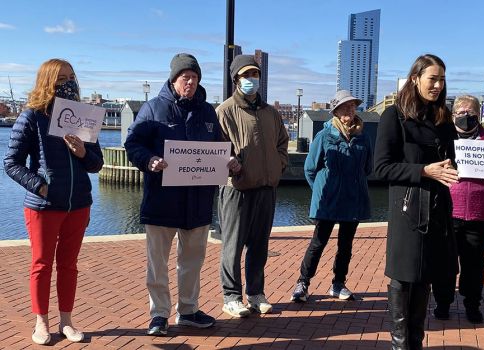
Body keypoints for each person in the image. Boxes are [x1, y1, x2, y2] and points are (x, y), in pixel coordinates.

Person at [125, 53, 236, 335]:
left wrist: (231, 160)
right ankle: (159, 314)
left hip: (197, 203)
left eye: (195, 77)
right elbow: (133, 143)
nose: (190, 82)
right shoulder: (152, 109)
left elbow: (220, 147)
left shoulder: (208, 111)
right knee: (158, 264)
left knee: (192, 262)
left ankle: (188, 310)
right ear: (173, 79)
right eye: (185, 77)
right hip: (162, 201)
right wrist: (148, 160)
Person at [3, 59, 104, 345]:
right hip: (44, 206)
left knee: (69, 265)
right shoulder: (32, 117)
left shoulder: (85, 117)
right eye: (61, 78)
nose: (68, 83)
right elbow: (11, 163)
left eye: (71, 77)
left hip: (79, 204)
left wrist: (84, 151)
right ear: (48, 81)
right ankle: (41, 323)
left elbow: (97, 164)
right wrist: (39, 185)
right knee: (41, 264)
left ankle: (67, 322)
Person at [373, 54, 459, 350]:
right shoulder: (394, 116)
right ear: (415, 79)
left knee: (426, 279)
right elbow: (381, 167)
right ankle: (400, 344)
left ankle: (415, 343)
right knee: (403, 276)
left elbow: (452, 164)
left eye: (442, 80)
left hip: (437, 208)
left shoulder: (444, 119)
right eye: (432, 79)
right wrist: (423, 170)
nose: (437, 85)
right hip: (408, 209)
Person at [216, 55, 289, 318]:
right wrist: (231, 162)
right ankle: (231, 297)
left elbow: (283, 143)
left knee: (260, 244)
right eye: (246, 75)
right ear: (236, 79)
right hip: (237, 189)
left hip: (266, 188)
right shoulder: (224, 111)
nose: (251, 80)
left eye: (255, 75)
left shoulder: (271, 113)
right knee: (232, 246)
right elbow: (217, 149)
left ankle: (256, 293)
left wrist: (279, 165)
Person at [290, 90, 372, 303]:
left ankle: (338, 284)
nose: (350, 110)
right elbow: (310, 169)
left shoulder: (363, 136)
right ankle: (303, 282)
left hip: (353, 200)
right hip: (328, 201)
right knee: (318, 242)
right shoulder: (324, 136)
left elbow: (368, 168)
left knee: (346, 245)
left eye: (353, 106)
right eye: (345, 107)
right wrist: (321, 191)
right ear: (335, 111)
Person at [431, 95, 484, 323]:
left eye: (470, 113)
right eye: (460, 112)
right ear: (453, 115)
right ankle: (443, 303)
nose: (465, 116)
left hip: (481, 213)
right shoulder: (443, 139)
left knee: (474, 263)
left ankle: (472, 304)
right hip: (447, 210)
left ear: (478, 114)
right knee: (444, 262)